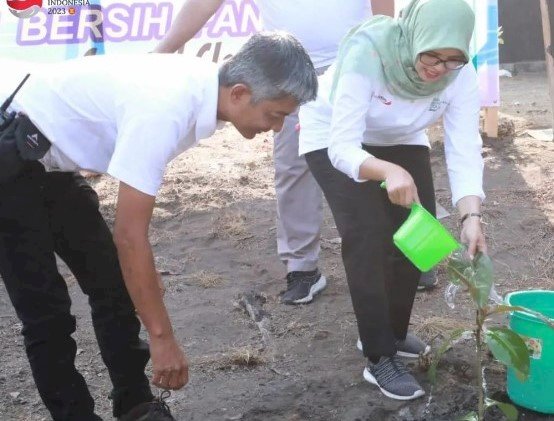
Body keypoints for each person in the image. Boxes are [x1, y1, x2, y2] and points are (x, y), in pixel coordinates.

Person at [0, 32, 317, 420]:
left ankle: (135, 406)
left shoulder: (205, 88)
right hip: (10, 152)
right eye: (275, 115)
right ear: (238, 93)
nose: (278, 128)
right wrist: (162, 339)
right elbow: (130, 236)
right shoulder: (166, 106)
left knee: (114, 285)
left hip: (46, 156)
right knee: (47, 313)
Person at [152, 0, 441, 305]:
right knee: (293, 167)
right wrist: (163, 51)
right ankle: (302, 268)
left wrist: (386, 46)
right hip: (286, 73)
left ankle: (412, 256)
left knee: (384, 155)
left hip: (359, 61)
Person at [299, 0, 487, 400]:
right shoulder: (368, 52)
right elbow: (343, 148)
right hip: (334, 136)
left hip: (401, 138)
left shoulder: (460, 76)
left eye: (452, 60)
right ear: (414, 35)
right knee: (368, 233)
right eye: (432, 55)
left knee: (417, 233)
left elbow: (463, 147)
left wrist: (471, 214)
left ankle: (393, 335)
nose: (439, 68)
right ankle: (379, 356)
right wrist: (386, 171)